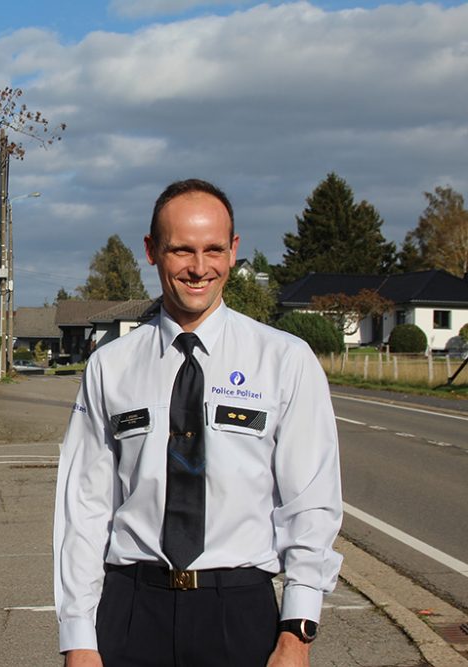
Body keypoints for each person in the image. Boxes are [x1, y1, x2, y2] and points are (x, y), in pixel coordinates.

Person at [54, 179, 342, 667]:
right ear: (152, 251)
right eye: (181, 250)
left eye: (213, 249)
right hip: (131, 609)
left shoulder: (285, 360)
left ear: (233, 250)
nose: (198, 268)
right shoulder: (111, 365)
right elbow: (83, 508)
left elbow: (310, 501)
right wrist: (78, 637)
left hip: (240, 611)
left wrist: (297, 632)